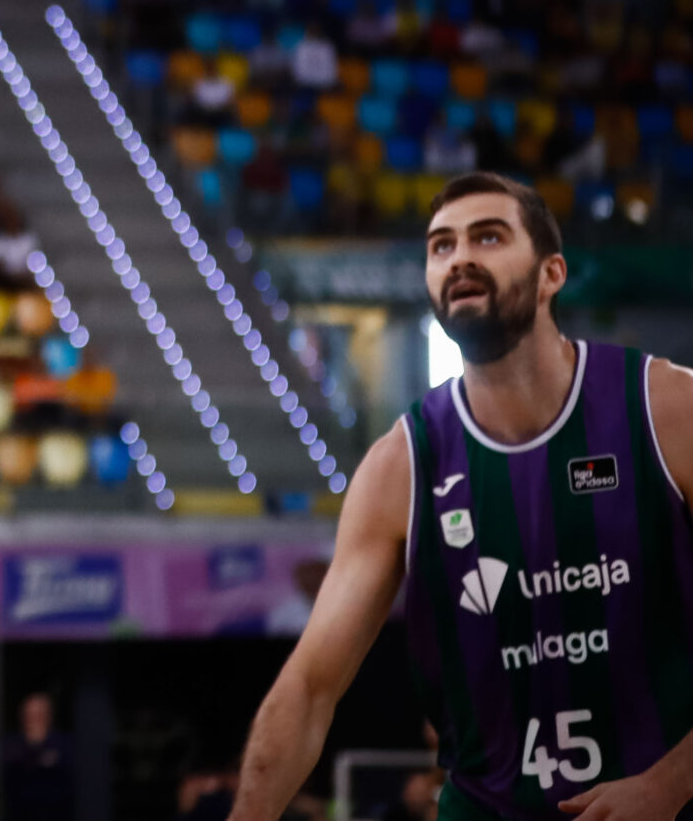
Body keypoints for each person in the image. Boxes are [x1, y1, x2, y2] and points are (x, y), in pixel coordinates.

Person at [228, 172, 693, 821]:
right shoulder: (400, 466)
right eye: (440, 245)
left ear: (551, 272)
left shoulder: (666, 406)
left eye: (489, 236)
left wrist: (671, 782)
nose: (460, 257)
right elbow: (309, 687)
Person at [0, 692, 75, 821]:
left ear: (48, 717)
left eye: (38, 715)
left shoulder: (62, 744)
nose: (32, 720)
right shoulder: (11, 744)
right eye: (28, 715)